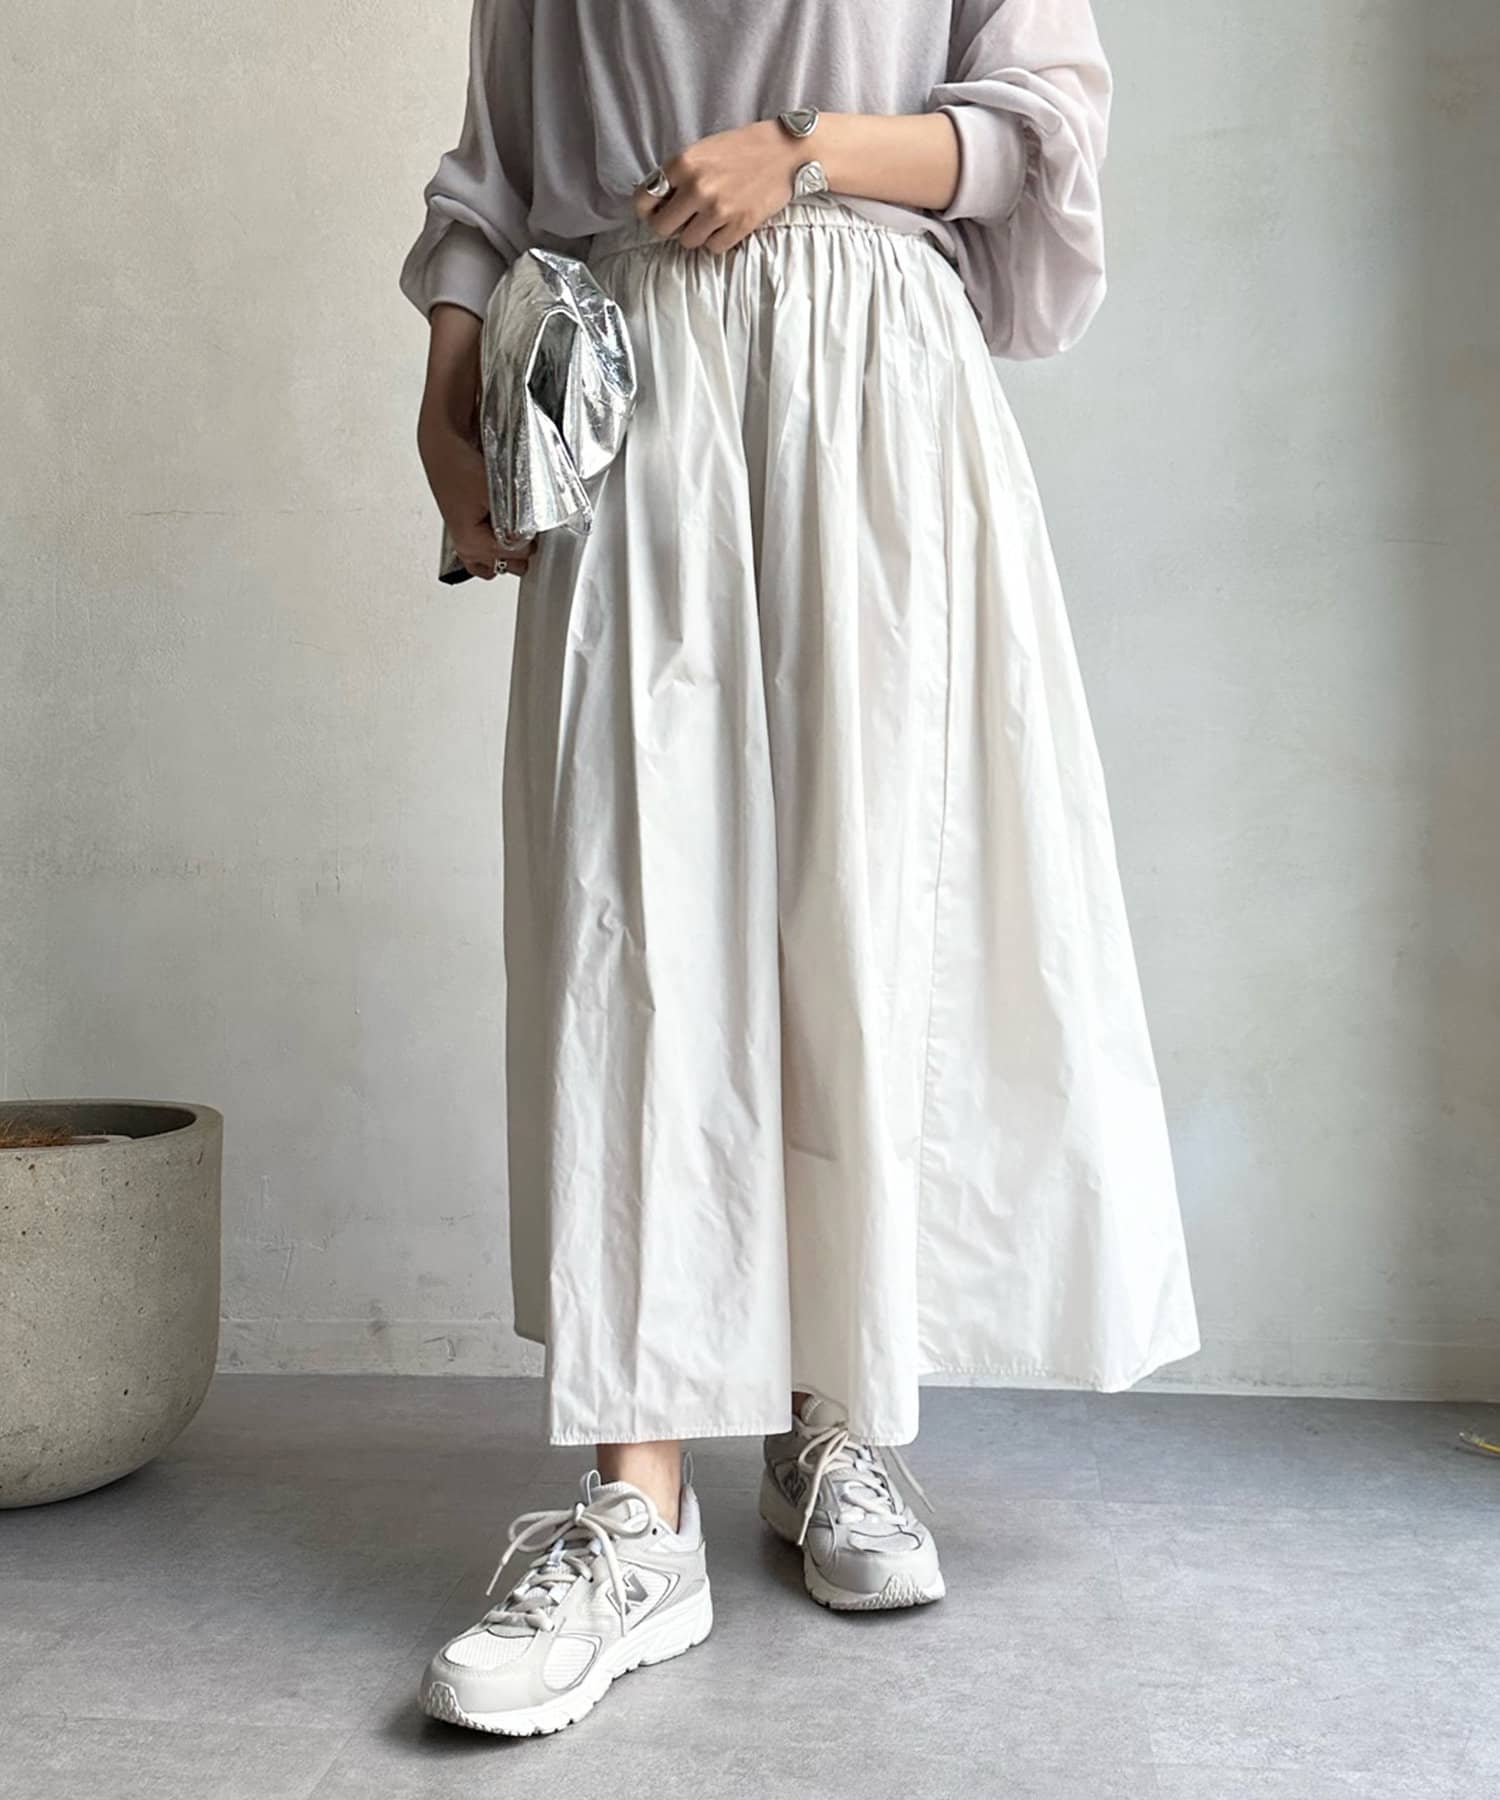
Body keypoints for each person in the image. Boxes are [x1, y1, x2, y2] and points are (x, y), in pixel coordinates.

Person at [399, 0, 1200, 1738]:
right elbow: (499, 168)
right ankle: (637, 1507)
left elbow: (1037, 131)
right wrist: (449, 374)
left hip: (875, 381)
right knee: (633, 919)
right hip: (641, 384)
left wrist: (810, 152)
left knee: (868, 902)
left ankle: (834, 1415)